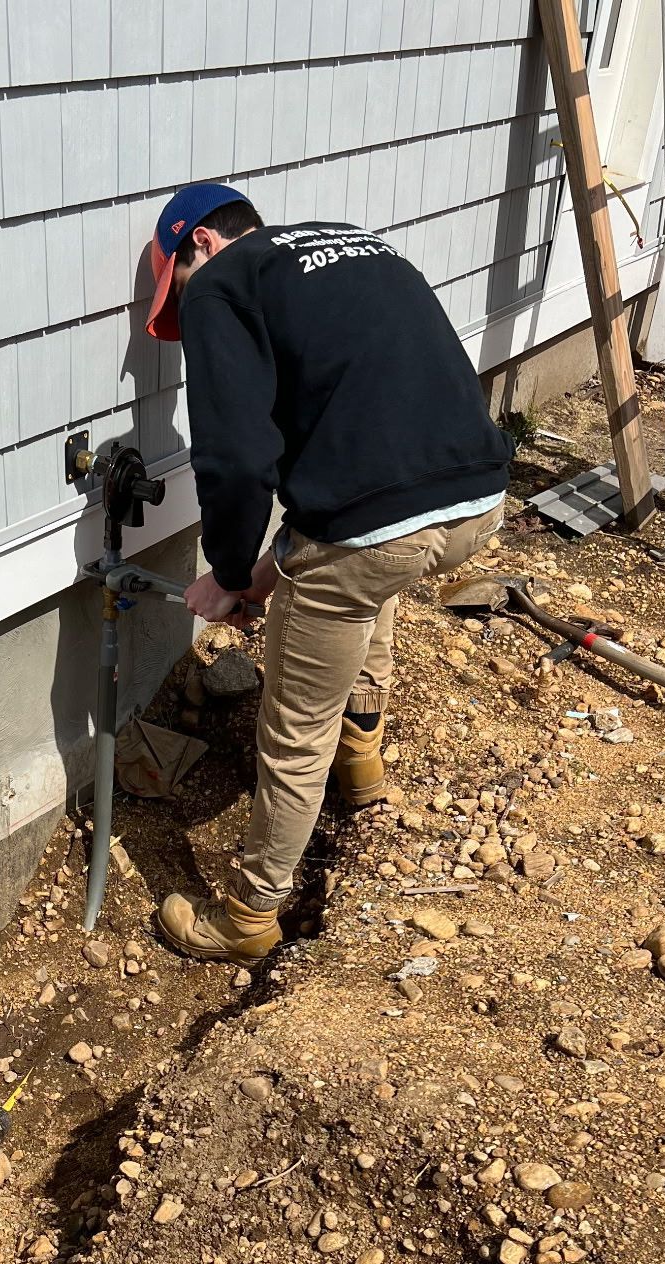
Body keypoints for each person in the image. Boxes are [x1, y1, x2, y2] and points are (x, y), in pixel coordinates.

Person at [143, 182, 514, 964]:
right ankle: (363, 760)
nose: (185, 301)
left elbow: (236, 457)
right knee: (364, 578)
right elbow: (356, 477)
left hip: (374, 531)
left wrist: (232, 571)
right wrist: (267, 576)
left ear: (199, 245)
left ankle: (248, 914)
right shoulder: (354, 245)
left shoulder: (220, 284)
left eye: (173, 279)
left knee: (293, 728)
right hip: (478, 500)